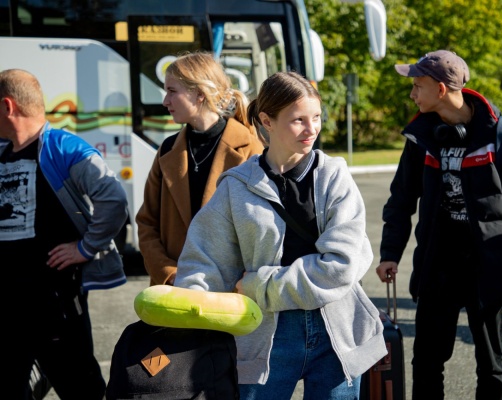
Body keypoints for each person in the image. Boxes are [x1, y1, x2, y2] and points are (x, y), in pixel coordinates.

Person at [175, 71, 387, 399]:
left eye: (316, 117)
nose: (312, 129)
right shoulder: (236, 186)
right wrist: (186, 316)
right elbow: (205, 260)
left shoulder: (334, 177)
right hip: (261, 336)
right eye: (298, 120)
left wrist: (260, 286)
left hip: (337, 332)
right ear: (267, 121)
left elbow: (341, 266)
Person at [375, 50, 502, 400]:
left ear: (441, 90)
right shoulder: (422, 136)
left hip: (489, 269)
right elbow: (401, 199)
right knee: (426, 362)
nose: (412, 94)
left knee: (491, 366)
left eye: (417, 86)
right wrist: (390, 253)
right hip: (437, 266)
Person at [0, 69, 128, 399]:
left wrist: (86, 247)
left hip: (54, 298)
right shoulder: (2, 150)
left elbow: (113, 199)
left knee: (79, 386)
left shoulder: (63, 147)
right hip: (7, 298)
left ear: (7, 106)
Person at [135, 50, 265, 286]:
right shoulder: (167, 150)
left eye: (172, 91)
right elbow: (147, 223)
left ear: (200, 94)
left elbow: (261, 229)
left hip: (228, 292)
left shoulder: (250, 149)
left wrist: (242, 282)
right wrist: (168, 273)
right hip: (174, 291)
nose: (165, 101)